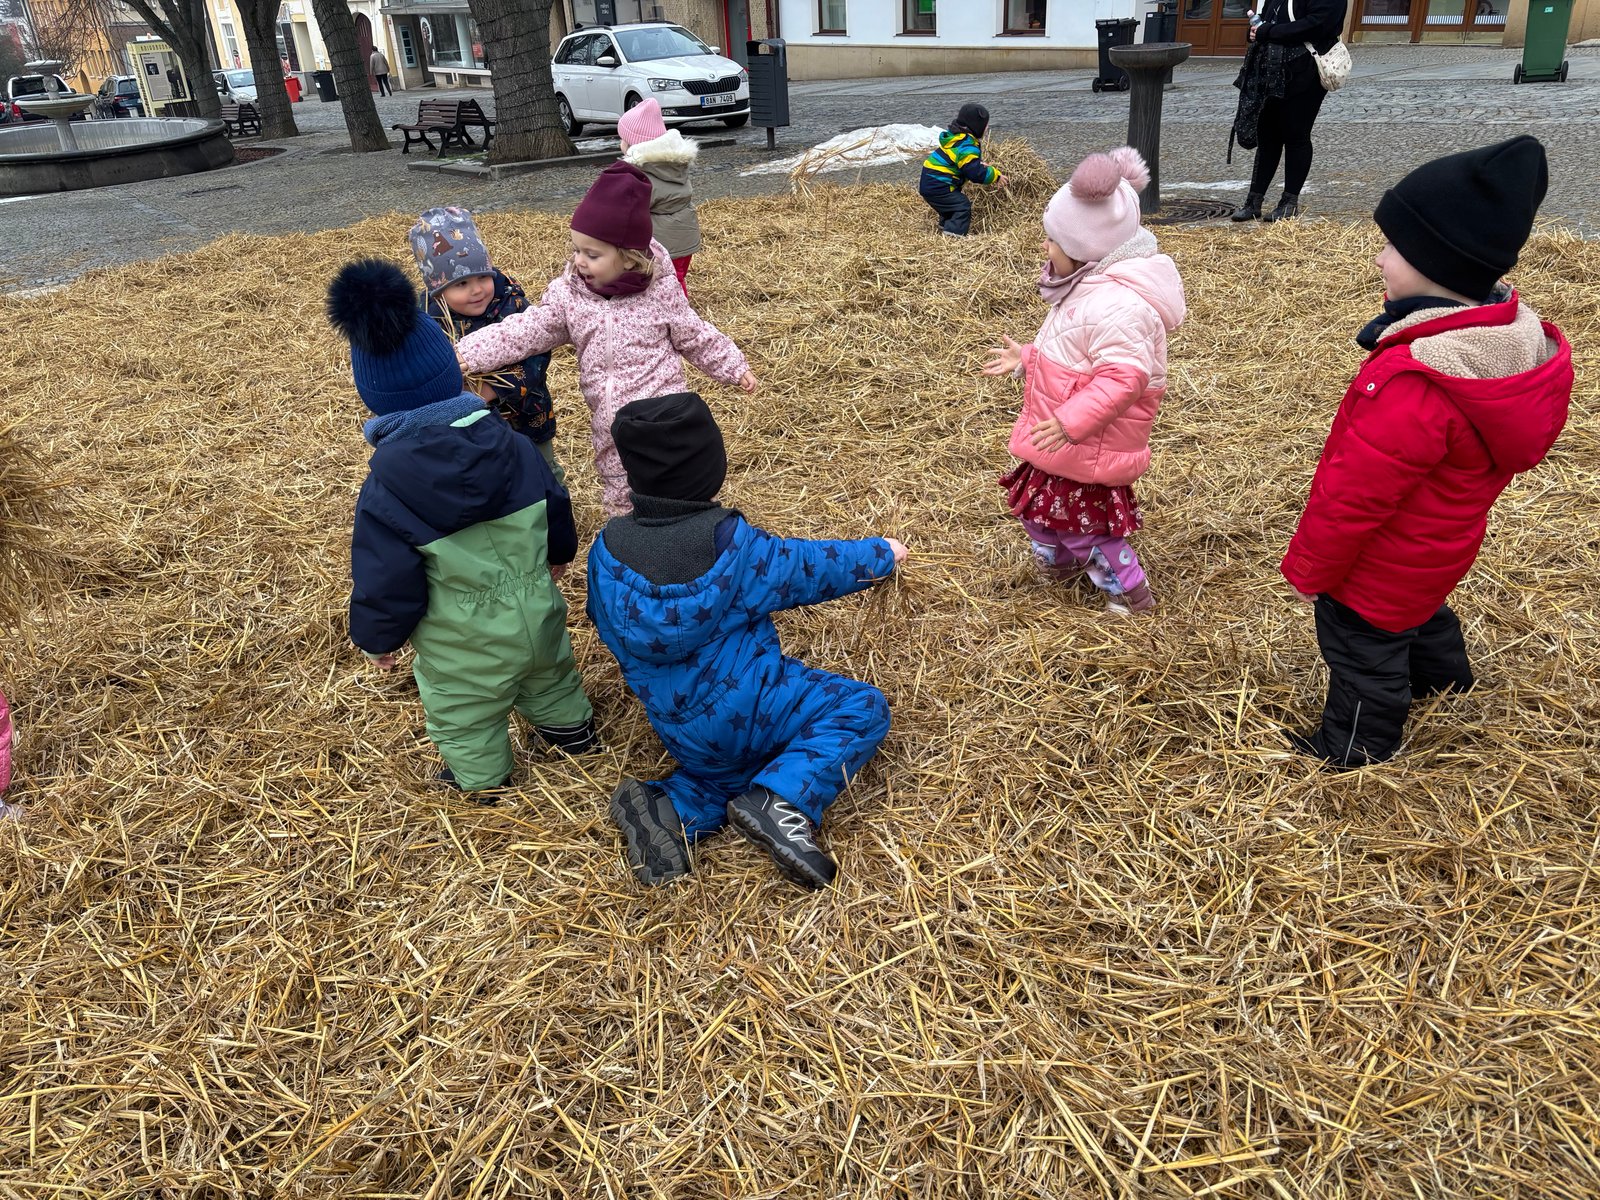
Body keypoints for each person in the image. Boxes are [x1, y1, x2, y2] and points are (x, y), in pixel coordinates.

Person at [1280, 136, 1572, 768]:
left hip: (1377, 568)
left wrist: (1310, 570)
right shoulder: (1502, 349)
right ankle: (1446, 684)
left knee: (1363, 651)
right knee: (1420, 610)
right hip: (1439, 548)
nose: (1380, 258)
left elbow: (1353, 498)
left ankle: (1356, 747)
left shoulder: (1417, 380)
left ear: (1435, 262)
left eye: (1393, 245)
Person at [588, 392, 904, 890]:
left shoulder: (605, 553)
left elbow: (600, 621)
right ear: (710, 467)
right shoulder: (732, 546)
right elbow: (810, 568)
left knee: (727, 774)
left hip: (676, 724)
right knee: (860, 707)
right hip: (751, 707)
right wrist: (881, 554)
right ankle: (783, 803)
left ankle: (670, 807)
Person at [327, 258, 597, 795]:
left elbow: (386, 577)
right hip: (538, 614)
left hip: (463, 648)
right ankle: (574, 733)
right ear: (453, 373)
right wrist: (560, 552)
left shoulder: (387, 487)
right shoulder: (512, 443)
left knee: (465, 714)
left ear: (374, 397)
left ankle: (482, 780)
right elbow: (554, 500)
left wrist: (378, 639)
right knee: (550, 675)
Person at [453, 162, 756, 517]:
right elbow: (526, 329)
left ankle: (684, 532)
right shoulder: (570, 295)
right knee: (619, 491)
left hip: (661, 421)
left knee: (672, 489)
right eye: (577, 250)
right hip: (611, 426)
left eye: (592, 254)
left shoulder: (660, 292)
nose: (579, 261)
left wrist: (732, 366)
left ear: (628, 257)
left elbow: (695, 334)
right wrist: (469, 352)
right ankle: (623, 537)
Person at [982, 147, 1186, 615]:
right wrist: (1027, 357)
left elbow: (1124, 378)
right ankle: (1058, 566)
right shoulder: (1087, 287)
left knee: (1086, 530)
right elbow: (1074, 354)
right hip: (1062, 437)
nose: (1045, 248)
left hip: (1088, 441)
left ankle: (1129, 594)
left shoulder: (1120, 305)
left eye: (1053, 240)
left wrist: (1070, 422)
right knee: (1039, 513)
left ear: (1085, 247)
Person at [409, 206, 562, 478]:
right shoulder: (429, 321)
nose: (477, 290)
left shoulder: (511, 304)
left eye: (483, 276)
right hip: (466, 430)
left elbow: (538, 356)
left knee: (542, 473)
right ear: (438, 289)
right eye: (461, 284)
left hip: (527, 420)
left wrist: (492, 388)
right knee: (489, 481)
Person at [1229, 0, 1348, 223]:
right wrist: (1255, 32)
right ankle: (1254, 200)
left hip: (1306, 72)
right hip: (1272, 70)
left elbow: (1319, 25)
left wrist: (1268, 31)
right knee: (1267, 135)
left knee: (1296, 135)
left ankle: (1289, 202)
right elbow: (1268, 19)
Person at [618, 97, 701, 294]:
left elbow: (629, 210)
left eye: (622, 138)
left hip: (661, 244)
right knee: (677, 277)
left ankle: (678, 309)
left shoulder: (641, 174)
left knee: (667, 284)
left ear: (633, 143)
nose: (620, 143)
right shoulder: (674, 164)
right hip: (685, 237)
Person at [918, 102, 1008, 238]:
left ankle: (945, 227)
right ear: (976, 126)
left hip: (931, 181)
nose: (987, 128)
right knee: (961, 206)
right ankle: (953, 236)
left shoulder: (957, 139)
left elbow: (962, 162)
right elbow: (975, 173)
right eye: (985, 125)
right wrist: (995, 176)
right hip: (938, 184)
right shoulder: (967, 145)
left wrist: (977, 164)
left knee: (950, 207)